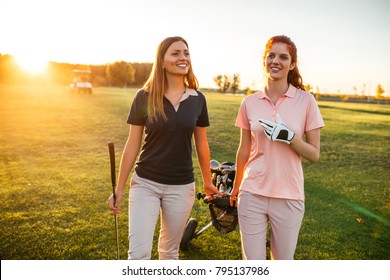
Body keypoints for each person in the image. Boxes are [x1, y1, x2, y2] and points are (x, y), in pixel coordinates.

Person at [108, 36, 221, 260]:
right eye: (176, 53)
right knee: (138, 255)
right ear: (161, 61)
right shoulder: (144, 96)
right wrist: (119, 187)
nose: (183, 58)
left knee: (169, 254)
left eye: (186, 53)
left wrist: (208, 182)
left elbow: (201, 144)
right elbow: (133, 144)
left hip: (181, 187)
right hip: (145, 183)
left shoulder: (198, 99)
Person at [230, 35, 325, 260]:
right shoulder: (249, 102)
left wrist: (290, 137)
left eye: (283, 57)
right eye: (271, 55)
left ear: (292, 64)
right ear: (264, 60)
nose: (276, 61)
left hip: (288, 195)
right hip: (252, 192)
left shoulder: (306, 101)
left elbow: (314, 154)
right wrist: (236, 187)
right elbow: (244, 149)